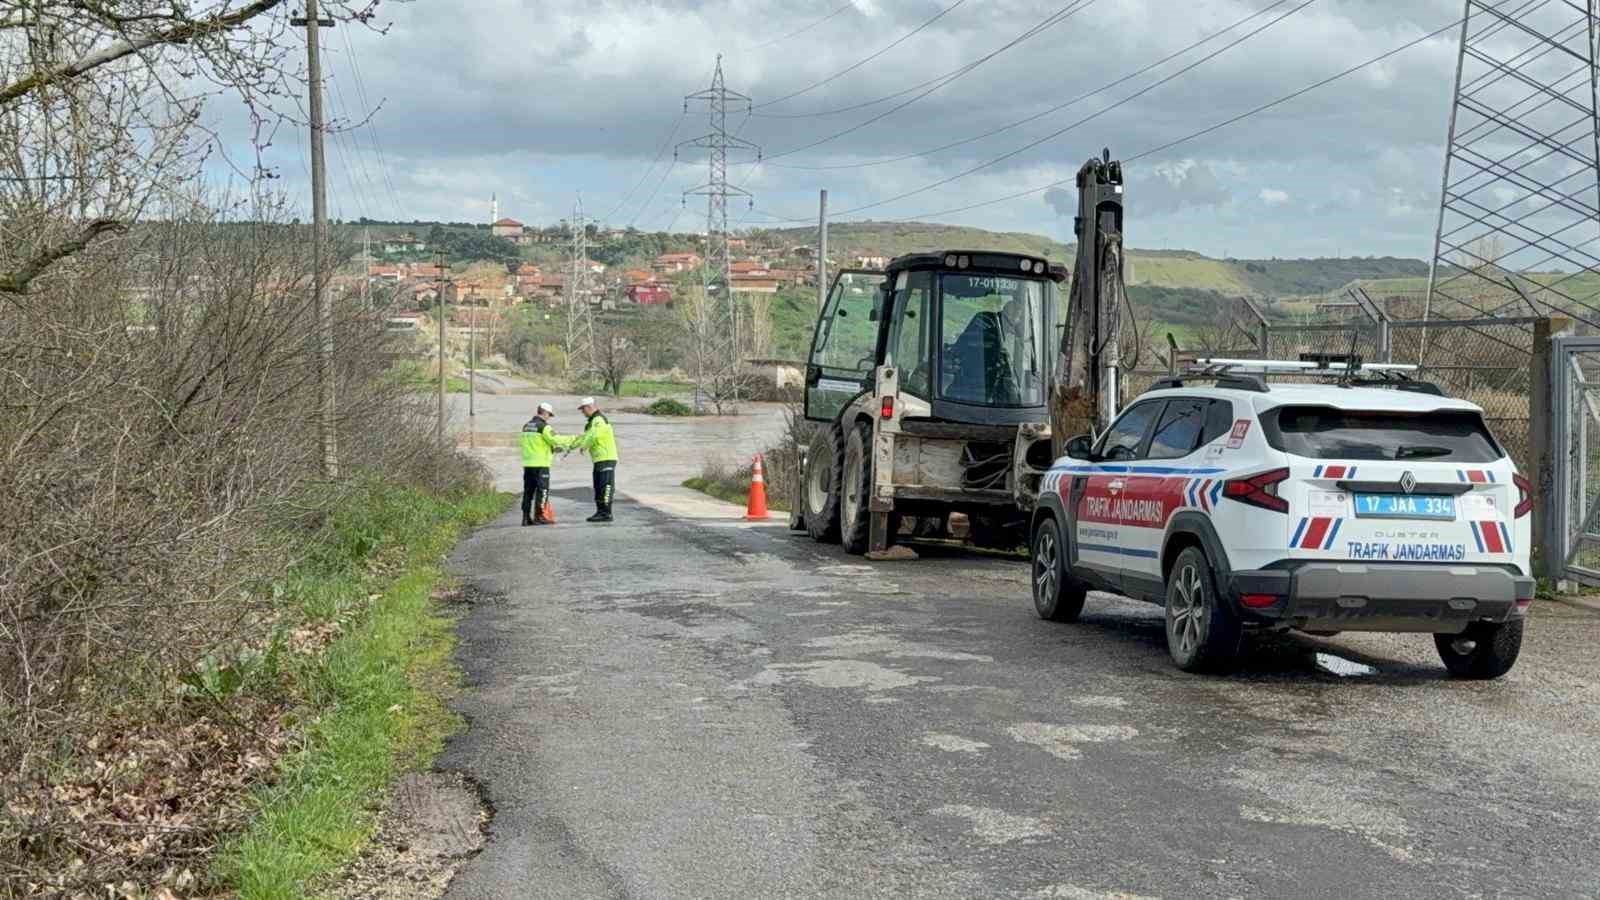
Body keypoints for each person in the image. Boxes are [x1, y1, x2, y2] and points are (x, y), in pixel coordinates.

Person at [567, 396, 619, 522]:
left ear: (589, 407)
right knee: (598, 486)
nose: (582, 412)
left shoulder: (599, 419)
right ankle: (600, 511)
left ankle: (606, 513)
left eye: (583, 409)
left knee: (605, 486)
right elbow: (584, 437)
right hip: (598, 459)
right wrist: (570, 446)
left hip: (606, 457)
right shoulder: (591, 422)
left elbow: (594, 435)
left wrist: (584, 447)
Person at [519, 402, 568, 526]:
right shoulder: (544, 427)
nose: (549, 417)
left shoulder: (526, 426)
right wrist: (572, 439)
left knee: (528, 492)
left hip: (528, 464)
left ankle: (525, 518)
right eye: (549, 415)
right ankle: (539, 516)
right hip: (541, 465)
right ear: (545, 412)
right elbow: (555, 439)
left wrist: (551, 448)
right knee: (542, 490)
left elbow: (535, 444)